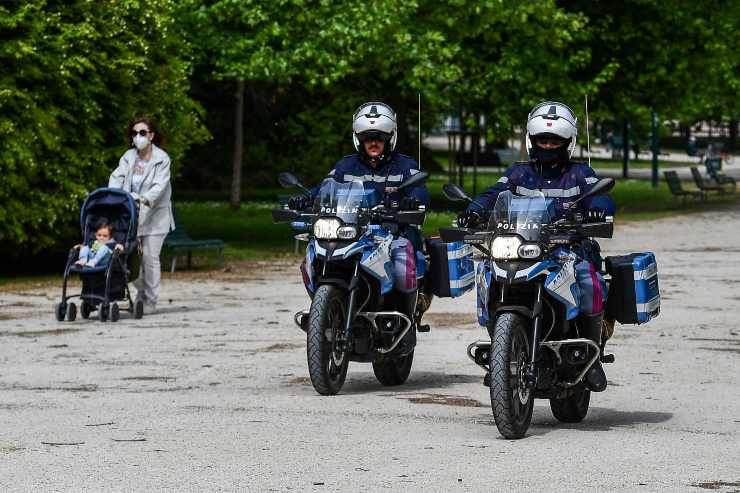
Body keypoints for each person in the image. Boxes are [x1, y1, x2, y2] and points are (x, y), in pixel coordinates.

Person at [457, 101, 616, 392]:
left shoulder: (581, 174)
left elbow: (601, 197)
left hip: (567, 250)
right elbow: (494, 194)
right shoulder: (519, 174)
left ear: (568, 142)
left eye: (554, 140)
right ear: (532, 141)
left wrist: (597, 210)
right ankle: (500, 355)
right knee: (489, 275)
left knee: (589, 280)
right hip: (522, 247)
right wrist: (475, 209)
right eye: (543, 139)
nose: (548, 145)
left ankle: (592, 359)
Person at [288, 101, 430, 354]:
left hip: (390, 232)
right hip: (353, 232)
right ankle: (328, 309)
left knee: (402, 255)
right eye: (367, 138)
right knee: (313, 253)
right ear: (358, 139)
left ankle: (404, 324)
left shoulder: (406, 166)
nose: (373, 143)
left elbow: (421, 192)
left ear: (390, 138)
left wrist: (411, 200)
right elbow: (325, 188)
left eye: (379, 137)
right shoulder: (346, 166)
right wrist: (306, 198)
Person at [109, 118, 175, 314]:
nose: (138, 137)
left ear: (151, 135)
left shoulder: (162, 159)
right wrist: (114, 194)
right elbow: (117, 177)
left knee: (149, 258)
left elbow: (159, 187)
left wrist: (142, 198)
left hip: (156, 216)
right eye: (135, 133)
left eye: (143, 133)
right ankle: (140, 295)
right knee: (133, 258)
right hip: (133, 215)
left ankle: (151, 300)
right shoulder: (129, 157)